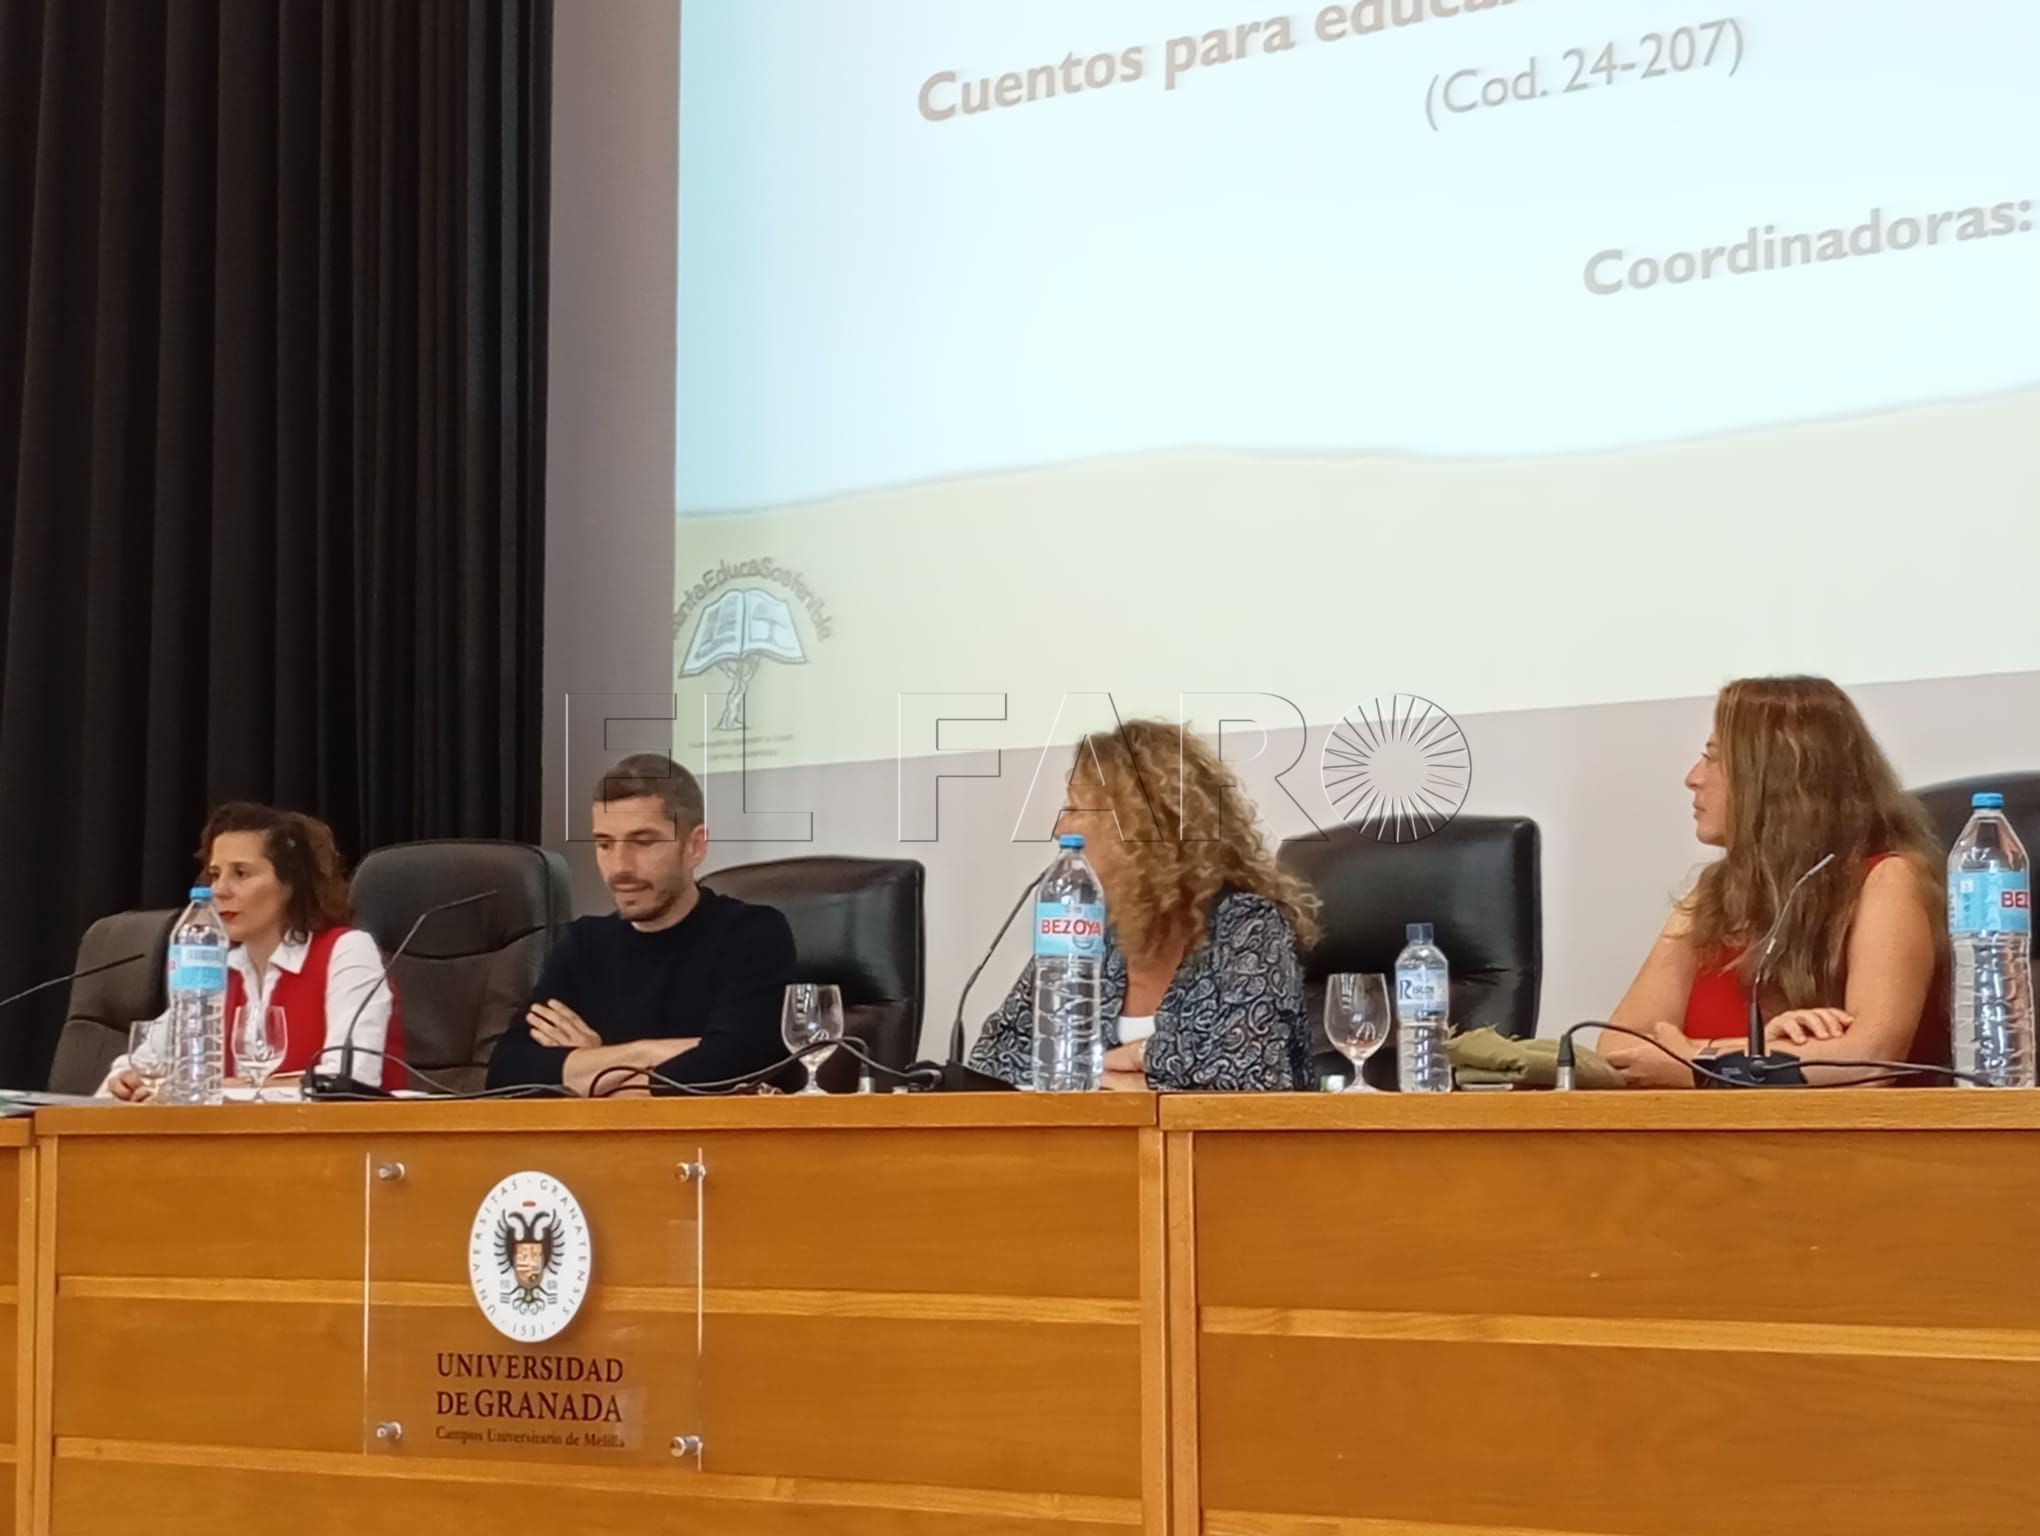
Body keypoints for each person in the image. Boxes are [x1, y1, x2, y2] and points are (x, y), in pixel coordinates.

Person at [1602, 676, 1947, 1088]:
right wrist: (1759, 1051)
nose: (1693, 778)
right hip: (1710, 1129)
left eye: (1714, 759)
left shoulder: (1888, 879)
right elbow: (1617, 1050)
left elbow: (1871, 1060)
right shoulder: (1714, 893)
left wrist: (1699, 1061)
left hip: (1852, 1130)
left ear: (1775, 777)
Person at [970, 719, 1319, 1091]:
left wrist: (1125, 1066)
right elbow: (992, 1061)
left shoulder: (1248, 926)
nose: (1059, 829)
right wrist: (1113, 1072)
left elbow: (1247, 1080)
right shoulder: (1091, 929)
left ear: (1135, 827)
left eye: (1074, 810)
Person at [485, 754, 796, 1096]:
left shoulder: (752, 934)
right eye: (605, 844)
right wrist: (640, 1054)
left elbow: (733, 1065)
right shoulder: (584, 945)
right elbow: (507, 1074)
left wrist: (589, 1072)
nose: (620, 867)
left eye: (643, 842)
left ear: (695, 846)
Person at [106, 802, 405, 1097]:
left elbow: (346, 1081)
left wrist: (213, 1087)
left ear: (290, 883)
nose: (219, 890)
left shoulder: (347, 952)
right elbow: (140, 1062)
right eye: (215, 874)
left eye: (240, 873)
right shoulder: (218, 970)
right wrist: (127, 1081)